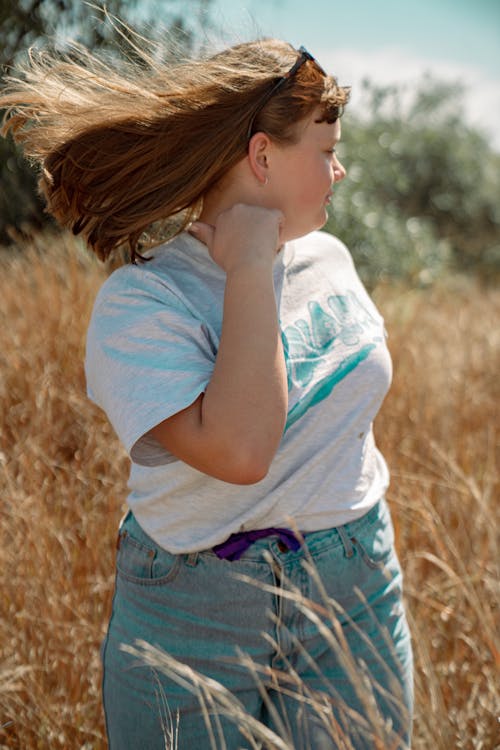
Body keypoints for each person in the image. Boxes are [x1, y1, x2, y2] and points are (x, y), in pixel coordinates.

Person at [1, 35, 413, 749]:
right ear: (261, 157)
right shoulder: (143, 304)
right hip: (195, 614)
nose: (339, 170)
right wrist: (250, 263)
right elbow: (243, 449)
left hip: (356, 586)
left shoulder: (332, 259)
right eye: (325, 150)